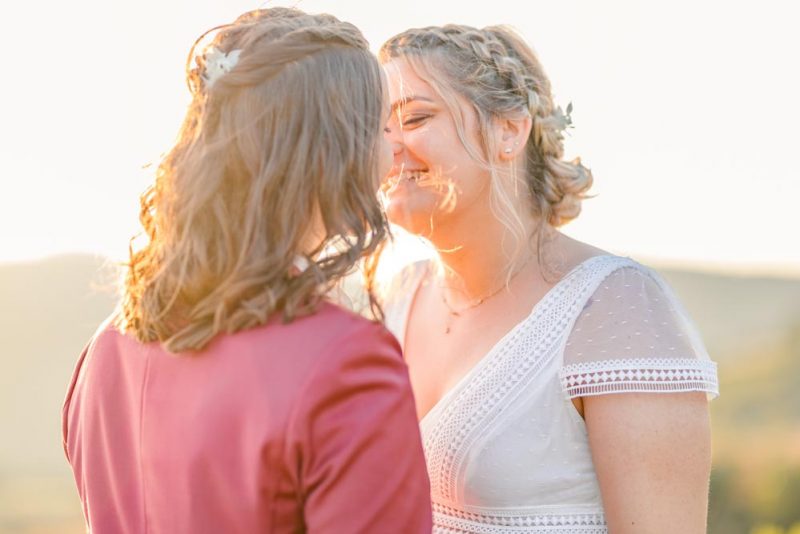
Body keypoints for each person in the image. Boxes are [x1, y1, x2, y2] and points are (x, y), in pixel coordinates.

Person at [62, 8, 432, 533]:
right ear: (333, 149)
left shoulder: (107, 349)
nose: (394, 145)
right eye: (380, 125)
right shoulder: (346, 364)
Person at [378, 24, 719, 533]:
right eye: (377, 128)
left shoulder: (616, 308)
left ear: (508, 131)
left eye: (415, 118)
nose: (388, 149)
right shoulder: (396, 296)